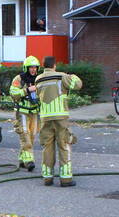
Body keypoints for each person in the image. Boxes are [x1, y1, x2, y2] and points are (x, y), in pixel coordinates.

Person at [35, 56, 83, 187]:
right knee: (64, 145)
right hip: (60, 117)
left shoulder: (38, 79)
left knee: (47, 147)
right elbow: (78, 85)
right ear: (54, 65)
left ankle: (47, 177)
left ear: (44, 66)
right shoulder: (61, 76)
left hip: (45, 118)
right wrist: (71, 75)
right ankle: (66, 179)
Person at [9, 56, 41, 171]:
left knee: (32, 135)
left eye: (35, 67)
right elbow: (13, 92)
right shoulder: (19, 79)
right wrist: (27, 90)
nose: (33, 70)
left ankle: (22, 159)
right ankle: (29, 161)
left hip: (34, 112)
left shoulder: (38, 79)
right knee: (25, 135)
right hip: (22, 112)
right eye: (31, 67)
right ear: (26, 68)